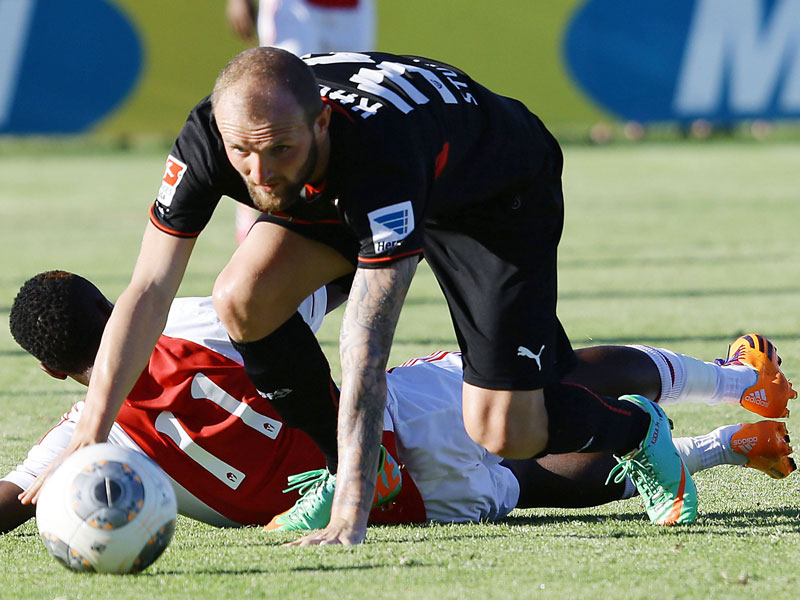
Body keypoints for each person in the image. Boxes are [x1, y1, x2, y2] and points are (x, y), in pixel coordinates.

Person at [19, 50, 798, 546]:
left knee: (503, 428)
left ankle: (635, 430)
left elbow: (368, 333)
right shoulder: (222, 141)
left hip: (496, 190)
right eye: (241, 153)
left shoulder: (376, 157)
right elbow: (148, 287)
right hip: (360, 182)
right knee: (243, 295)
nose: (257, 174)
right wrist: (92, 431)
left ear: (320, 121)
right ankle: (342, 459)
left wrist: (358, 498)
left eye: (279, 150)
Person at [5, 271, 795, 536]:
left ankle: (726, 444)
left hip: (385, 504)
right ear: (117, 304)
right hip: (390, 419)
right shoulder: (198, 319)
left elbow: (11, 501)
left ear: (48, 371)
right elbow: (325, 281)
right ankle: (737, 384)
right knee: (546, 382)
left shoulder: (84, 444)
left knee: (535, 483)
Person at [224, 0, 377, 243]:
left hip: (353, 7)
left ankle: (337, 225)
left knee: (349, 100)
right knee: (278, 100)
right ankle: (254, 220)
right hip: (293, 7)